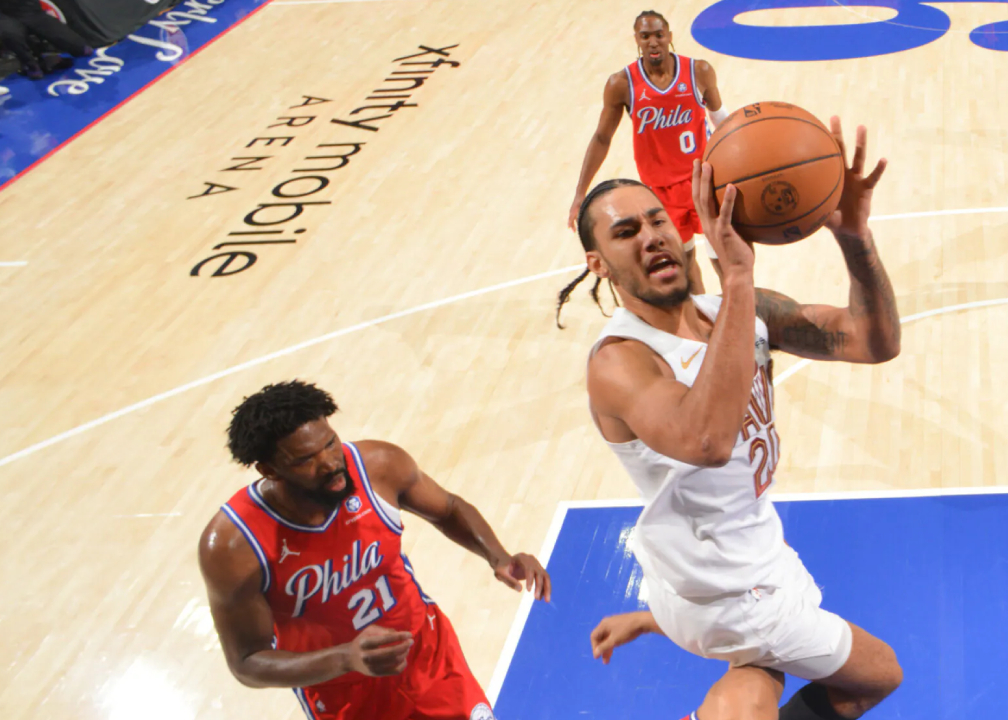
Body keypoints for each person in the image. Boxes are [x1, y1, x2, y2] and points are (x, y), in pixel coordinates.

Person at [576, 118, 903, 720]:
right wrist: (739, 277)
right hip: (731, 593)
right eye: (625, 232)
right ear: (598, 263)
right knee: (876, 675)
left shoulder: (729, 311)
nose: (650, 237)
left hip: (709, 569)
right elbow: (704, 439)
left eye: (656, 221)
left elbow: (872, 341)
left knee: (758, 679)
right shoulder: (620, 361)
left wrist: (854, 237)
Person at [198, 380, 550, 720]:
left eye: (330, 443)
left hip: (428, 656)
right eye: (306, 459)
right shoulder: (234, 546)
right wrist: (345, 658)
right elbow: (247, 662)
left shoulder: (377, 466)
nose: (331, 462)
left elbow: (449, 509)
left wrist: (498, 556)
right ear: (269, 470)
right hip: (344, 693)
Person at [567, 9, 729, 301]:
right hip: (662, 192)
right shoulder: (622, 83)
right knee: (685, 262)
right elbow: (602, 138)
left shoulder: (698, 71)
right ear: (637, 40)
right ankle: (705, 327)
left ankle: (740, 318)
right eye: (646, 36)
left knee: (723, 258)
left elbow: (722, 121)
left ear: (668, 36)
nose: (653, 42)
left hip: (702, 180)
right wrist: (581, 193)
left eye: (658, 35)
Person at [0, 0, 92, 79]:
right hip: (3, 14)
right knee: (10, 34)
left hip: (27, 9)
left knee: (82, 49)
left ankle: (75, 47)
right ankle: (31, 64)